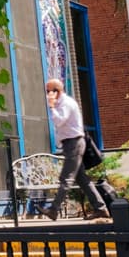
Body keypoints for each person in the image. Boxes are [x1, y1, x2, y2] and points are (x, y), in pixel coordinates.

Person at [45, 78, 110, 221]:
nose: (47, 94)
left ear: (57, 91)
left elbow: (59, 121)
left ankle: (53, 210)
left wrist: (51, 106)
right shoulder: (62, 103)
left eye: (48, 91)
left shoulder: (66, 103)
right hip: (71, 143)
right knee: (82, 179)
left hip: (74, 143)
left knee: (66, 178)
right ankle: (100, 208)